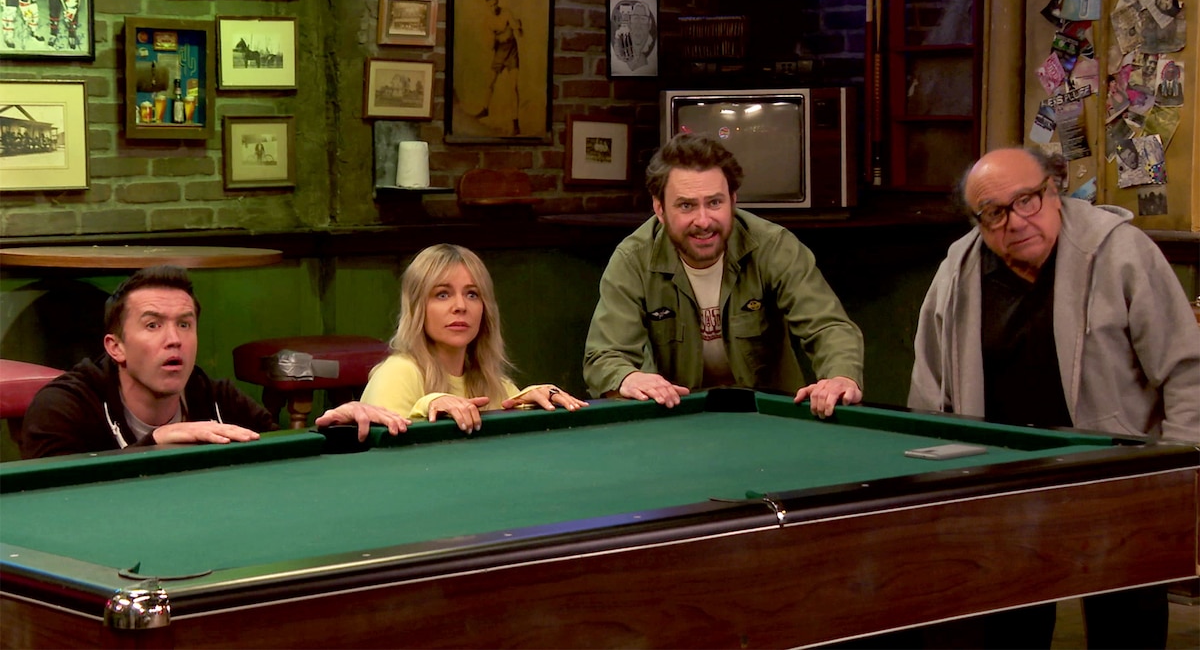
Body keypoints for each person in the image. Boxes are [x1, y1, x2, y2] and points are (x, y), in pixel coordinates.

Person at [908, 147, 1200, 648]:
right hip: (1004, 484)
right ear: (978, 220)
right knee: (1007, 629)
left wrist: (1177, 473)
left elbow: (1186, 372)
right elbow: (930, 388)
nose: (1017, 221)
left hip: (1116, 478)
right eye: (995, 212)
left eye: (1028, 200)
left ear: (1054, 193)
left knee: (1126, 627)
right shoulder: (956, 272)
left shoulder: (1122, 253)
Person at [583, 133, 864, 416]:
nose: (703, 221)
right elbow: (604, 356)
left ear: (733, 199)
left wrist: (841, 375)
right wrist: (627, 378)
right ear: (659, 209)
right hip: (675, 419)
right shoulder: (633, 260)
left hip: (769, 418)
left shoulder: (773, 246)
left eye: (715, 203)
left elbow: (828, 326)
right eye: (686, 205)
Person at [21, 266, 410, 459]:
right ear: (115, 347)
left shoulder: (217, 400)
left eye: (184, 324)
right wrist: (152, 445)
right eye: (153, 324)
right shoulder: (63, 407)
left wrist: (331, 429)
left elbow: (279, 458)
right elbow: (47, 501)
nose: (173, 338)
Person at [361, 244, 587, 432]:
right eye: (442, 294)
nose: (460, 306)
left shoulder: (494, 383)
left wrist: (537, 404)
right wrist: (429, 406)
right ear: (417, 308)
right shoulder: (397, 373)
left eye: (472, 294)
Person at [474, 0, 522, 135]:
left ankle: (515, 123)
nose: (494, 8)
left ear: (497, 2)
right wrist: (493, 39)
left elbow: (516, 28)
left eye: (495, 4)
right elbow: (489, 45)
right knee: (490, 82)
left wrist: (517, 27)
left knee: (513, 87)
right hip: (499, 53)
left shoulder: (506, 12)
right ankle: (485, 109)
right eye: (491, 6)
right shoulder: (488, 21)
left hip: (512, 52)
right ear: (487, 6)